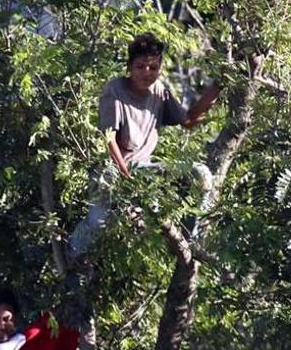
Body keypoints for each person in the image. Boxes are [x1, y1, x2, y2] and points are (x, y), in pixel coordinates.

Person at [68, 32, 220, 258]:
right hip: (113, 169)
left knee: (202, 174)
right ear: (129, 66)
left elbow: (188, 122)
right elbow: (109, 137)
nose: (146, 73)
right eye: (140, 67)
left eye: (152, 67)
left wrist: (217, 87)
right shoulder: (116, 89)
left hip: (144, 170)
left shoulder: (160, 91)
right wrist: (125, 173)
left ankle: (195, 241)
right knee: (97, 222)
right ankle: (71, 256)